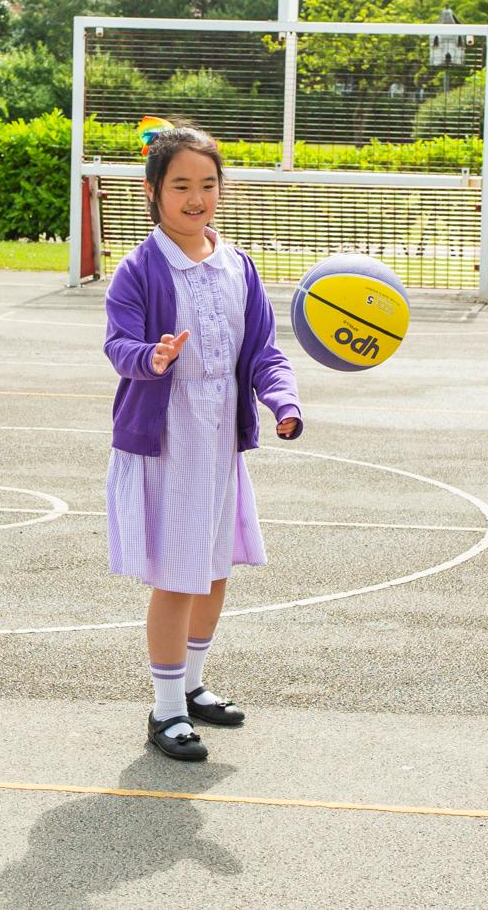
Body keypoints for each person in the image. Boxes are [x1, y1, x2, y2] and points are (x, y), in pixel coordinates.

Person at [103, 124, 303, 762]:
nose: (196, 198)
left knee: (215, 571)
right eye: (181, 185)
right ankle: (164, 711)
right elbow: (118, 345)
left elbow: (263, 351)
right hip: (168, 442)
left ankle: (190, 686)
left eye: (208, 184)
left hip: (219, 441)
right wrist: (151, 356)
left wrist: (283, 402)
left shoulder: (238, 266)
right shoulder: (139, 270)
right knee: (177, 577)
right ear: (153, 191)